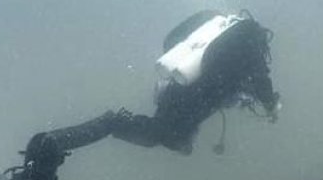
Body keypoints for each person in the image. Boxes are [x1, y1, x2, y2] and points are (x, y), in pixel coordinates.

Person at [112, 10, 280, 154]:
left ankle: (114, 123)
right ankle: (112, 122)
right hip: (199, 93)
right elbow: (261, 80)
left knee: (162, 133)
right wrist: (271, 105)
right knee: (164, 136)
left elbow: (171, 40)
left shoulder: (217, 25)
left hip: (182, 85)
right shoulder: (250, 45)